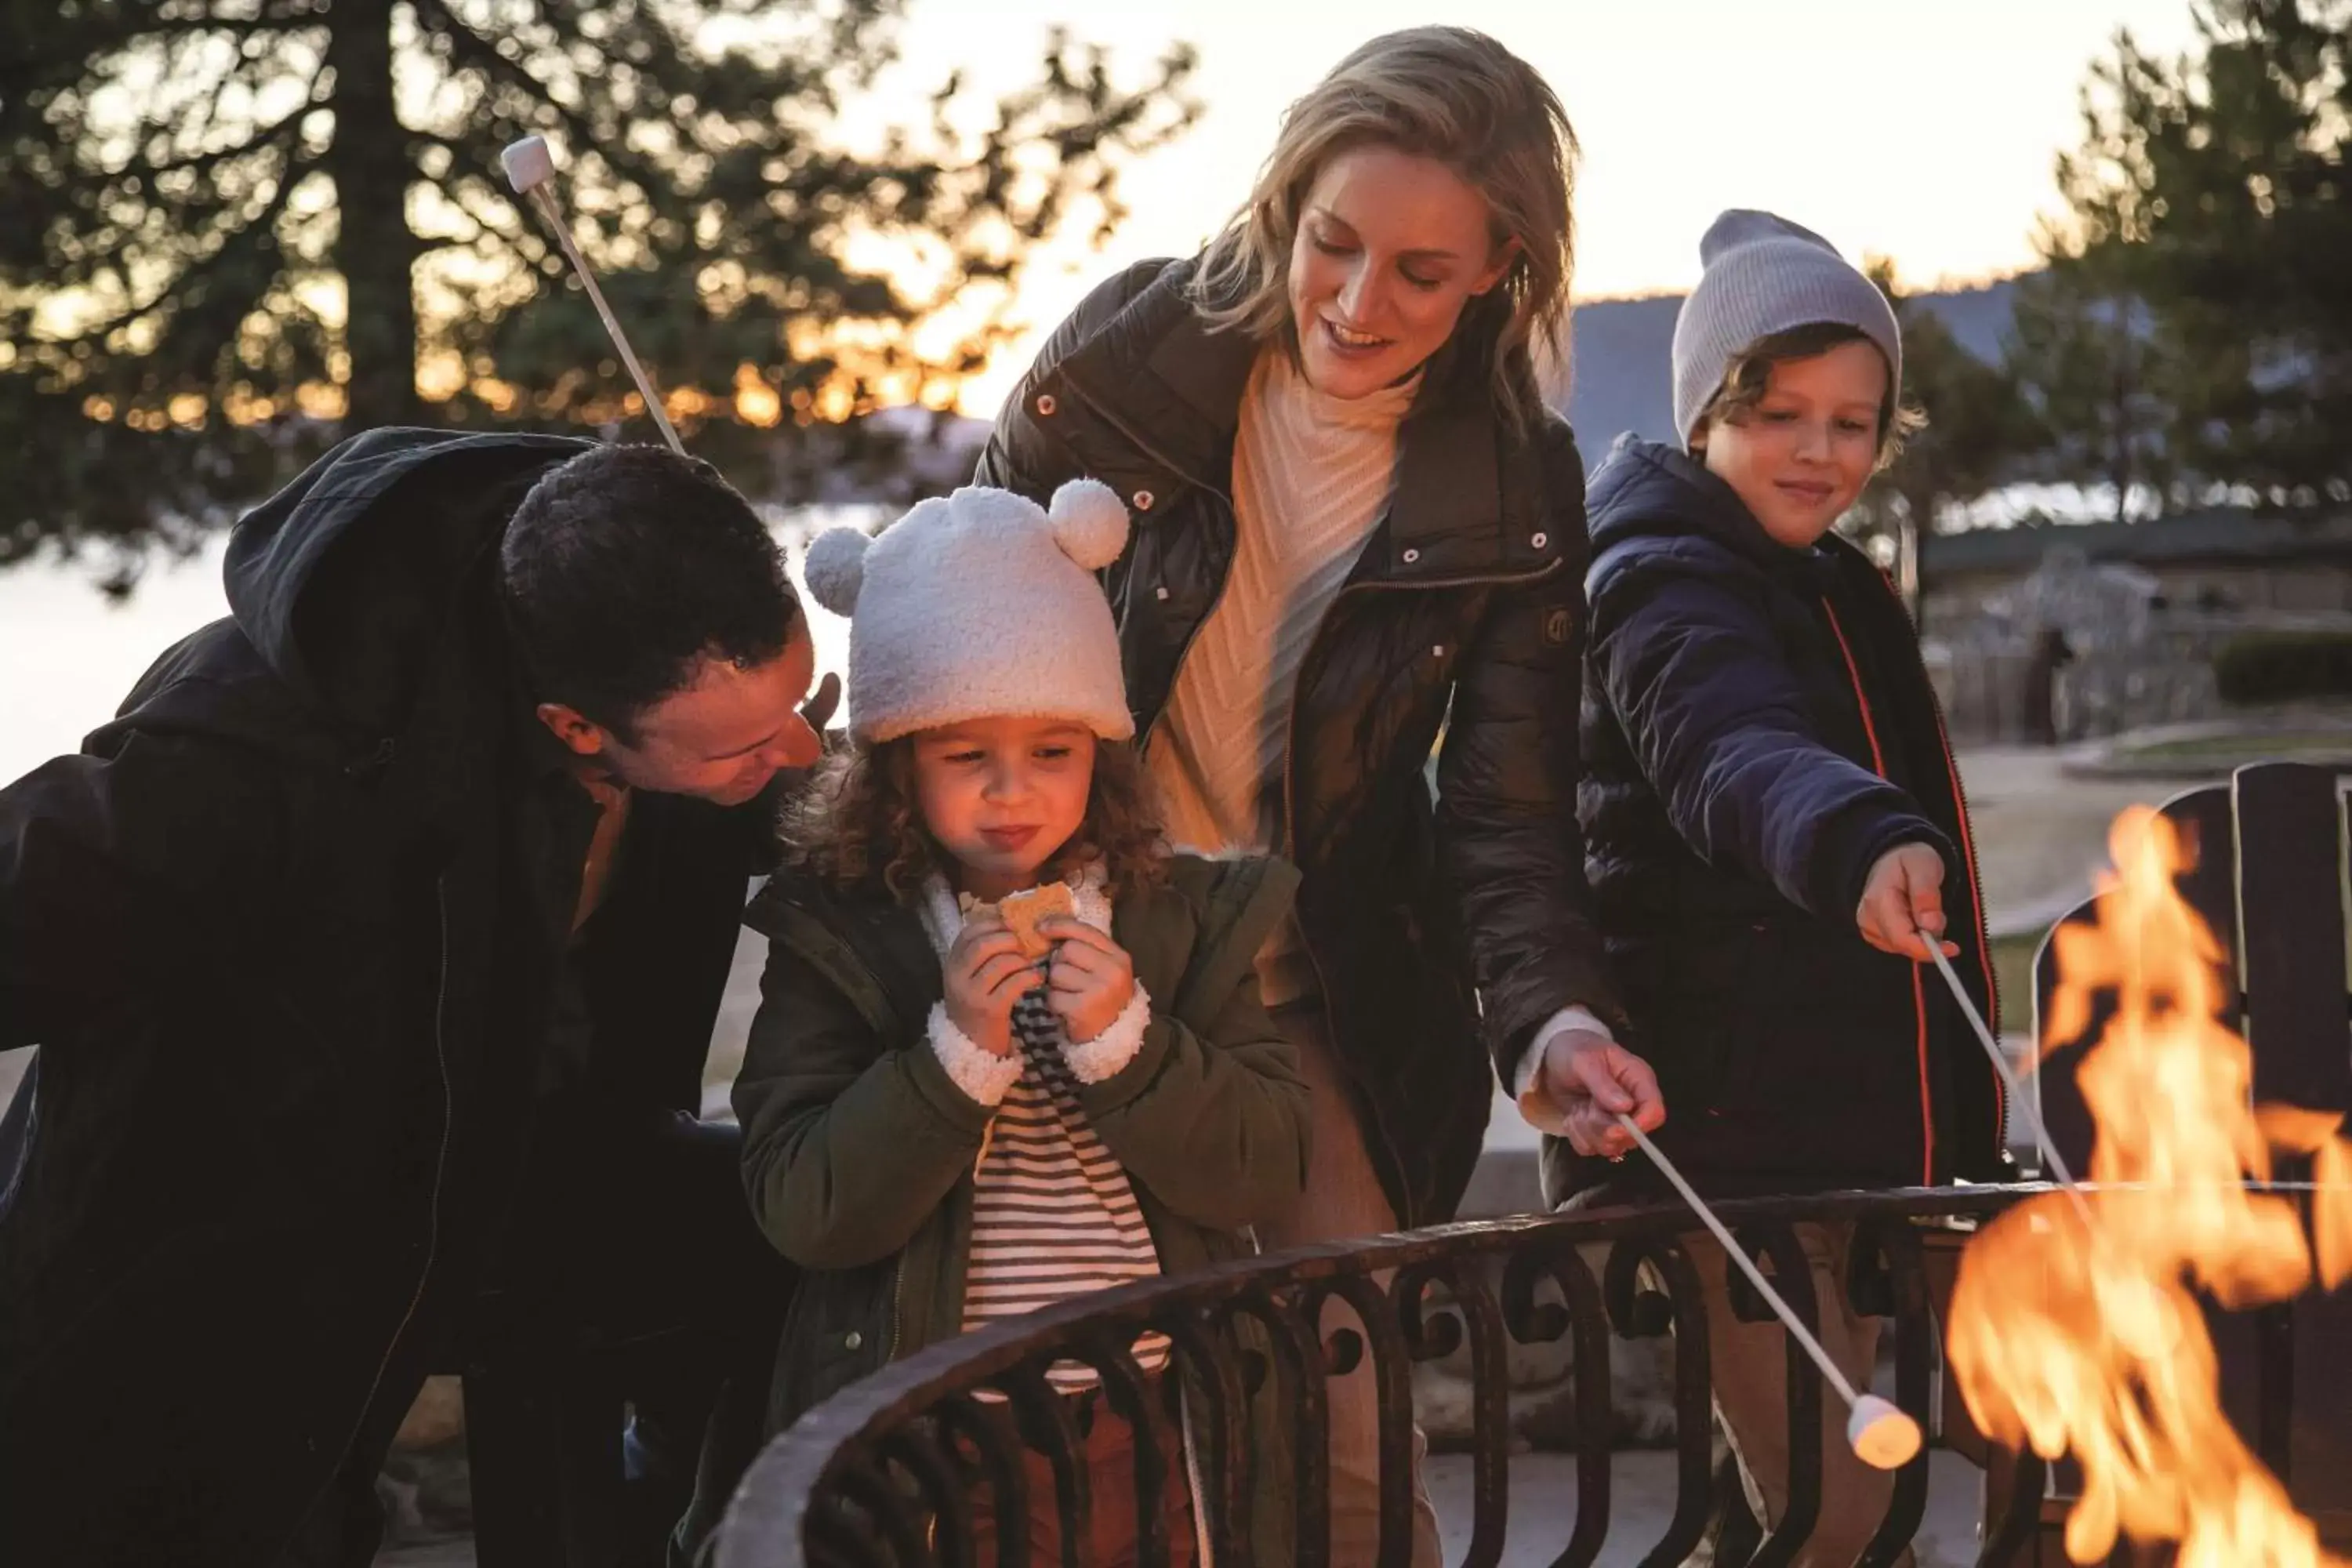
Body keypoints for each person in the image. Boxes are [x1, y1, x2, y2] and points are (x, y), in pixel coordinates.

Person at [975, 28, 1664, 1559]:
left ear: (1500, 267)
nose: (1360, 304)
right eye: (1332, 243)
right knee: (1083, 1460)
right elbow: (949, 646)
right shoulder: (1120, 362)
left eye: (1423, 271)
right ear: (1284, 203)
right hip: (1051, 967)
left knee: (1348, 1450)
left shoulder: (1514, 479)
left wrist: (1554, 1016)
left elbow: (1505, 812)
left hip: (1304, 998)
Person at [0, 430, 826, 1567]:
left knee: (817, 1227)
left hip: (519, 1166)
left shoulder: (637, 609)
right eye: (743, 748)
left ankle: (685, 1527)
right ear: (575, 729)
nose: (793, 754)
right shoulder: (256, 753)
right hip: (241, 1256)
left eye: (798, 703)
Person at [732, 477, 1313, 1565]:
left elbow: (1265, 1167)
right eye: (967, 756)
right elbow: (806, 1208)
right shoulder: (843, 940)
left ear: (1103, 755)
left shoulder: (1182, 921)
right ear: (898, 766)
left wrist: (1128, 1042)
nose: (1015, 791)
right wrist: (953, 1057)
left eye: (1054, 750)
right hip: (940, 1427)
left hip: (1145, 1405)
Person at [1566, 210, 2009, 1566]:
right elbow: (1726, 749)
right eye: (1779, 415)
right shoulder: (1661, 579)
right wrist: (1859, 837)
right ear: (1705, 414)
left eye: (1853, 423)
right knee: (1840, 1511)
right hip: (1723, 1136)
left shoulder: (1818, 579)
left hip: (1826, 1131)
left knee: (1819, 1492)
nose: (1820, 452)